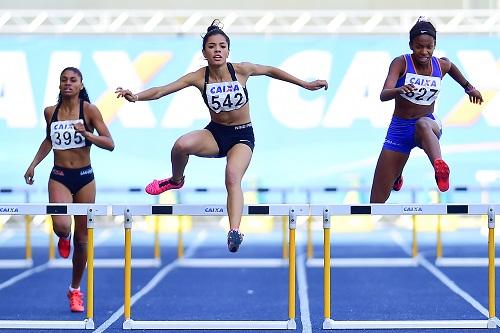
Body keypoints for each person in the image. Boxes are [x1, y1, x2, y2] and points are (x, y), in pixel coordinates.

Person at [115, 19, 328, 252]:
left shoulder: (241, 70)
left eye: (222, 46)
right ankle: (176, 181)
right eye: (212, 46)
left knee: (232, 176)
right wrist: (135, 96)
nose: (217, 50)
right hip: (216, 134)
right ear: (204, 52)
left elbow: (271, 71)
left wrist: (305, 85)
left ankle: (234, 231)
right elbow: (162, 90)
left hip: (242, 136)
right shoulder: (198, 77)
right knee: (180, 145)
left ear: (228, 50)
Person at [24, 67, 115, 312]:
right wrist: (33, 164)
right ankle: (64, 237)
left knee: (83, 238)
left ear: (81, 84)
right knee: (63, 226)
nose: (67, 83)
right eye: (63, 80)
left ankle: (75, 290)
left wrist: (87, 134)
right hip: (60, 176)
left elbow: (110, 143)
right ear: (59, 84)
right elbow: (48, 140)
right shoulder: (50, 112)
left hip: (85, 177)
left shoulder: (89, 110)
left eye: (73, 80)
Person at [370, 17, 483, 203]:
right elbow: (384, 94)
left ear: (434, 45)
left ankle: (439, 167)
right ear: (411, 45)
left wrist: (469, 88)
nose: (424, 52)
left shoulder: (441, 65)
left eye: (429, 47)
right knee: (376, 202)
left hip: (428, 125)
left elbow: (453, 69)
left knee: (422, 124)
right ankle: (396, 176)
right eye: (419, 47)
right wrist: (398, 89)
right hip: (399, 129)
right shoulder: (401, 63)